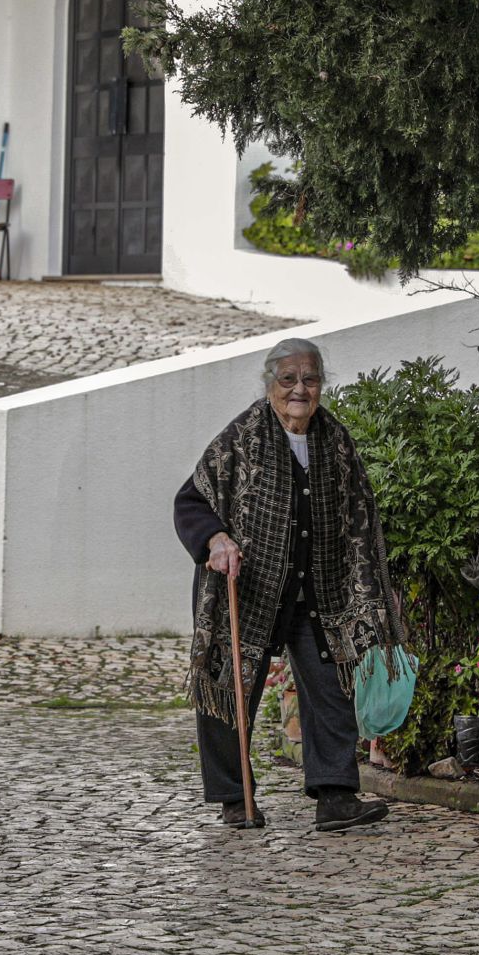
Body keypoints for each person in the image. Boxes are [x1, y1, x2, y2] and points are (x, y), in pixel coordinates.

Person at [174, 338, 407, 831]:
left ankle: (337, 796)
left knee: (329, 688)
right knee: (230, 688)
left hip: (317, 592)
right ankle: (235, 798)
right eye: (288, 380)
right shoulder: (242, 437)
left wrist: (363, 582)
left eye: (310, 379)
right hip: (249, 590)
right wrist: (215, 539)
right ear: (270, 384)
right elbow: (191, 500)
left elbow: (360, 510)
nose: (300, 389)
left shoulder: (333, 439)